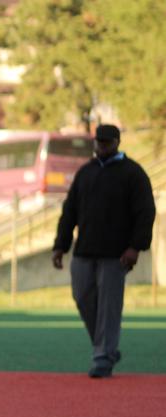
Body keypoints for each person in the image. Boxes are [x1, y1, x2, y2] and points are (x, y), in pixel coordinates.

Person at [52, 124, 156, 379]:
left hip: (116, 253)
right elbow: (70, 212)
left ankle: (102, 357)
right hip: (84, 249)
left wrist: (135, 247)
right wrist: (60, 245)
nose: (102, 147)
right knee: (82, 296)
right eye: (99, 142)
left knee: (109, 306)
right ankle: (106, 348)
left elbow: (145, 212)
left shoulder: (133, 173)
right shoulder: (86, 172)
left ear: (117, 142)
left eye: (107, 143)